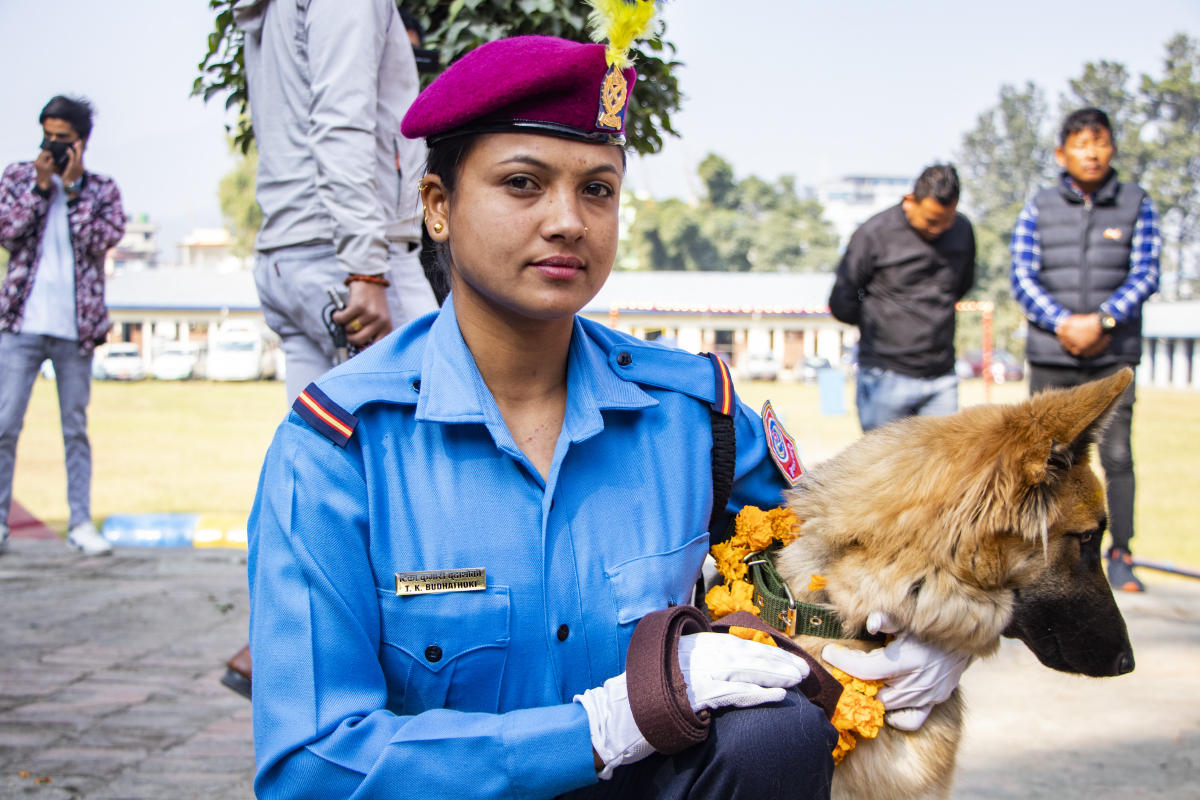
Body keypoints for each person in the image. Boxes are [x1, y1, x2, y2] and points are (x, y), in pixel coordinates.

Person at [246, 16, 972, 798]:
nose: (567, 220)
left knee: (776, 731)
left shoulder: (696, 418)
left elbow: (795, 587)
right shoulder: (341, 448)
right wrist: (601, 728)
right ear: (437, 206)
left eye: (597, 189)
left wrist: (904, 637)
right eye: (522, 183)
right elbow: (312, 763)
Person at [233, 0, 439, 405]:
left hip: (290, 250)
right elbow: (340, 123)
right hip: (350, 257)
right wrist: (366, 271)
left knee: (319, 452)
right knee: (441, 429)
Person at [1010, 107, 1160, 593]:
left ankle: (1120, 555)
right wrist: (1063, 323)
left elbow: (1146, 273)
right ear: (1062, 153)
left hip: (1112, 356)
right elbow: (1022, 275)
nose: (1090, 153)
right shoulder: (1039, 205)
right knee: (1044, 459)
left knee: (1116, 456)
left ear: (1112, 148)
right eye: (1080, 144)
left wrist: (1103, 320)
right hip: (1053, 352)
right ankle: (1041, 553)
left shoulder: (1137, 203)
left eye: (1099, 143)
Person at [0, 96, 125, 556]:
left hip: (77, 327)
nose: (52, 145)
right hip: (21, 323)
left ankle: (79, 524)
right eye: (47, 136)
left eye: (62, 139)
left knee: (75, 426)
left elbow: (102, 239)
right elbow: (7, 232)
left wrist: (71, 192)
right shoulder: (17, 177)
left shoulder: (100, 189)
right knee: (4, 422)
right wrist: (39, 187)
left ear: (81, 142)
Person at [828, 165, 976, 432]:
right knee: (883, 469)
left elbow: (962, 284)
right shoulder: (873, 233)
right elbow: (842, 300)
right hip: (886, 374)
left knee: (942, 470)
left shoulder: (963, 230)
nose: (939, 229)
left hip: (941, 377)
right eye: (931, 221)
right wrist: (883, 322)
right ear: (909, 202)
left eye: (947, 220)